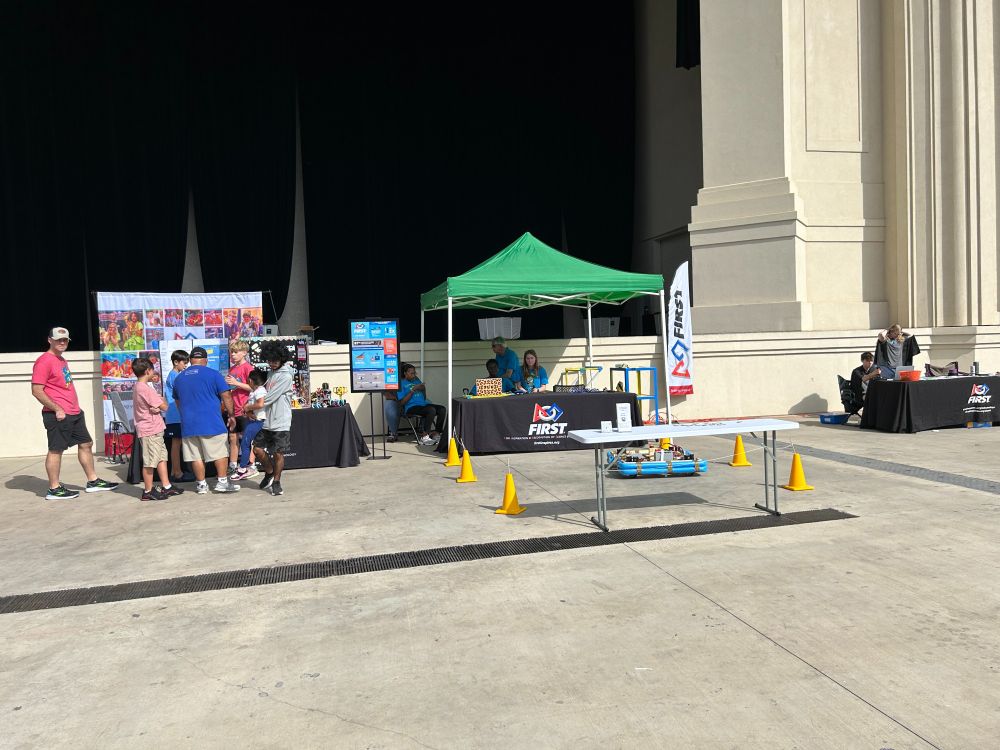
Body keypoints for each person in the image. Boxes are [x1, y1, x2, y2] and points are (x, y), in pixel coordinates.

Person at [30, 327, 119, 499]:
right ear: (50, 340)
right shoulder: (44, 361)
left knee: (86, 443)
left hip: (74, 412)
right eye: (58, 340)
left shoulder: (61, 359)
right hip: (58, 414)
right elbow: (37, 390)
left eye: (65, 340)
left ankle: (93, 481)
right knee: (56, 450)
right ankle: (54, 489)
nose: (62, 343)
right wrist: (57, 408)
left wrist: (74, 408)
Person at [172, 346, 240, 495]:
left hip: (189, 424)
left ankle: (201, 485)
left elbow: (178, 402)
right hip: (211, 422)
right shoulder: (213, 374)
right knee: (219, 452)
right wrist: (231, 415)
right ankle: (222, 482)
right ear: (205, 360)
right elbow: (226, 396)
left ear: (190, 360)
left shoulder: (179, 378)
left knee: (195, 456)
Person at [131, 358, 184, 501]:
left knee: (161, 458)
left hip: (155, 428)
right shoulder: (145, 388)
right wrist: (161, 400)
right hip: (149, 430)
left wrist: (157, 403)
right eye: (152, 369)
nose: (154, 372)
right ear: (148, 371)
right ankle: (148, 491)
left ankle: (166, 486)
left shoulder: (140, 387)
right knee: (150, 461)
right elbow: (165, 406)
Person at [254, 341, 294, 496]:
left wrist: (250, 407)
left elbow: (268, 398)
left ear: (282, 359)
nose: (271, 363)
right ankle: (269, 472)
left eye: (275, 360)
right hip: (266, 420)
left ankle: (276, 482)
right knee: (257, 449)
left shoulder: (286, 376)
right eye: (269, 360)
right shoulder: (270, 373)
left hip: (281, 421)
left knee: (278, 453)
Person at [224, 339, 255, 478]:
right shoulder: (232, 369)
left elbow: (253, 387)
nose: (233, 355)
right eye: (232, 352)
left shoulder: (249, 368)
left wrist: (237, 383)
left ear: (244, 353)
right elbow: (231, 388)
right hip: (234, 408)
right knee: (233, 437)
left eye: (236, 352)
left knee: (247, 438)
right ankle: (233, 465)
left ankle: (251, 465)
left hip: (245, 408)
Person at [164, 350, 193, 483]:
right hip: (175, 415)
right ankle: (177, 472)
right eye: (184, 363)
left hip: (175, 414)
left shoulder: (174, 375)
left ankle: (174, 471)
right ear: (176, 362)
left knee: (177, 443)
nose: (186, 365)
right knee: (176, 444)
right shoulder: (175, 376)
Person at [399, 363, 446, 445]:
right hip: (411, 407)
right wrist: (413, 390)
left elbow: (424, 397)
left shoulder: (416, 380)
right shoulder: (401, 383)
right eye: (411, 373)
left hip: (423, 404)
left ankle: (436, 433)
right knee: (431, 410)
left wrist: (423, 389)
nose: (414, 375)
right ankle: (424, 436)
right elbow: (402, 402)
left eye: (415, 373)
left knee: (442, 409)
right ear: (405, 373)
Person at [233, 368, 268, 480]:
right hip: (253, 420)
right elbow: (251, 405)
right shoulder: (254, 392)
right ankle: (247, 466)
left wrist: (248, 407)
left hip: (258, 422)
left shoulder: (260, 390)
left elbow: (260, 404)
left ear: (250, 381)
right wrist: (247, 410)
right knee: (245, 443)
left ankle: (243, 469)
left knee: (245, 443)